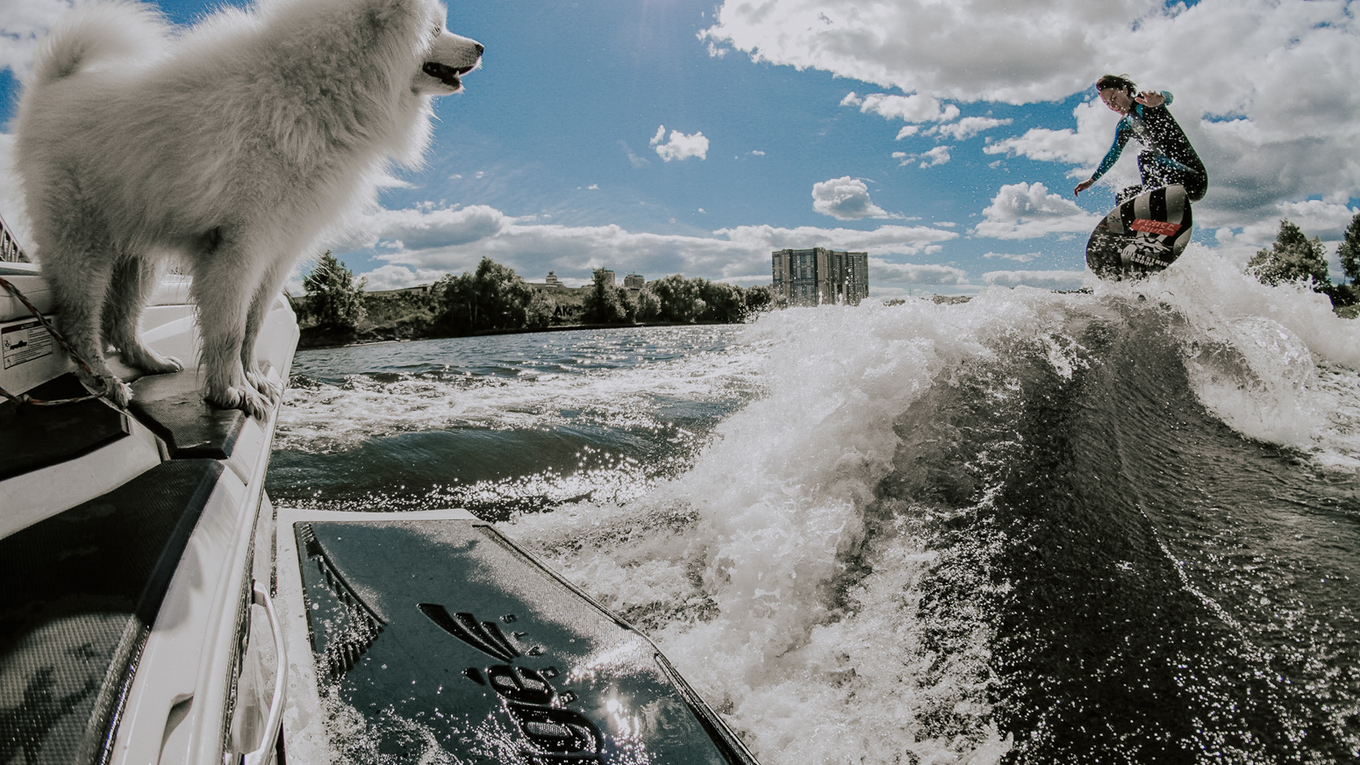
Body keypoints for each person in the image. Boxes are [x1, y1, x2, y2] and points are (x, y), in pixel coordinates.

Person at [1073, 75, 1207, 204]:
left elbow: (1168, 96)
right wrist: (1092, 180)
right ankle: (1144, 222)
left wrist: (1160, 99)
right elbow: (1113, 154)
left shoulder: (1145, 102)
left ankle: (1152, 202)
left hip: (1193, 180)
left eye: (1114, 98)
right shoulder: (1124, 125)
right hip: (1169, 185)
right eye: (1107, 103)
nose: (1112, 105)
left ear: (1125, 90)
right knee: (1123, 196)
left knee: (1145, 156)